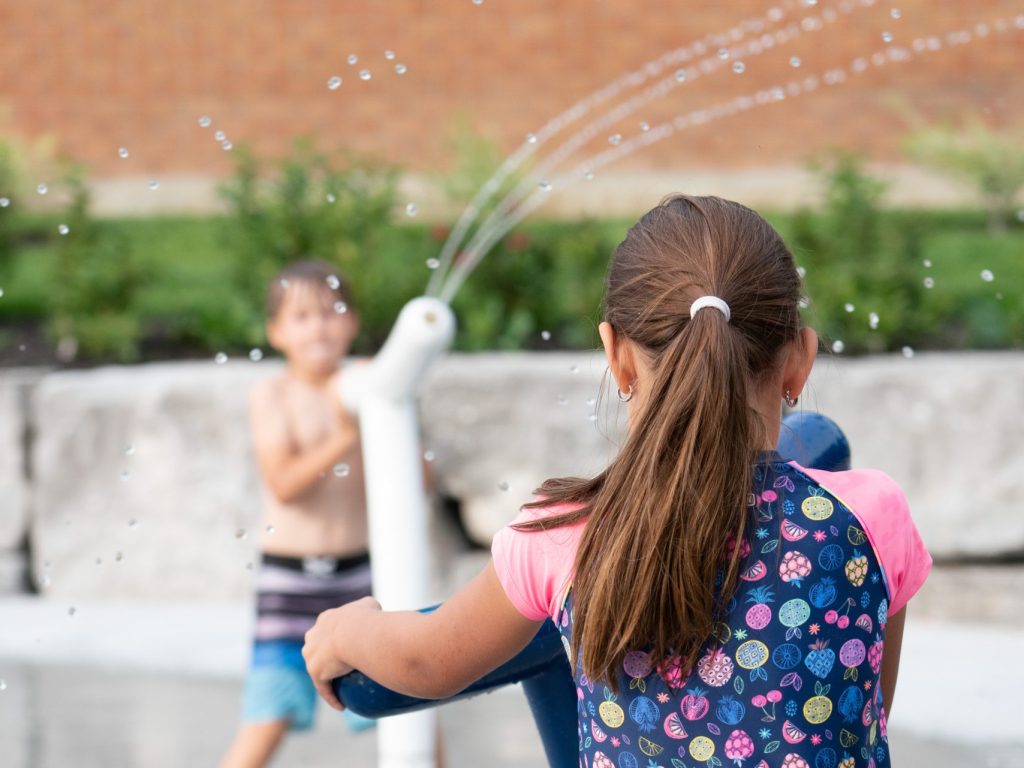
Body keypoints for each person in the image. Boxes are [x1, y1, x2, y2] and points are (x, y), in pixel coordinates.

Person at [302, 195, 933, 766]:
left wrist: (346, 631)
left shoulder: (563, 536)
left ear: (617, 357)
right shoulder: (871, 518)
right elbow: (867, 709)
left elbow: (425, 659)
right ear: (799, 360)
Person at [221, 260, 374, 768]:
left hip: (361, 577)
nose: (320, 325)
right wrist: (346, 434)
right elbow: (284, 484)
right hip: (289, 582)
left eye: (332, 311)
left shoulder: (368, 388)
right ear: (277, 331)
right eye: (303, 315)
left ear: (352, 321)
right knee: (267, 717)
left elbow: (419, 482)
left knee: (410, 711)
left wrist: (389, 410)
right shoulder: (274, 395)